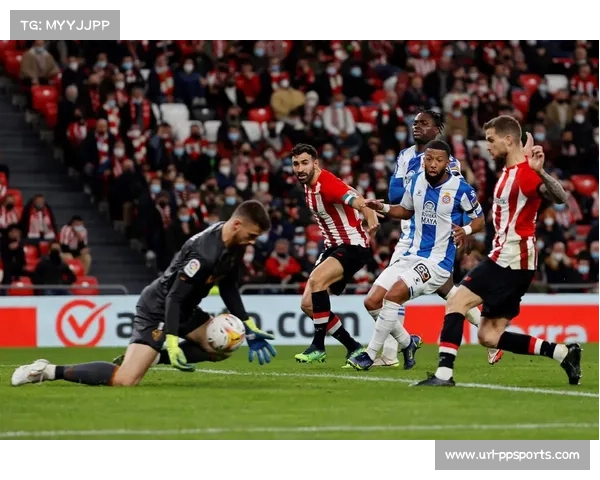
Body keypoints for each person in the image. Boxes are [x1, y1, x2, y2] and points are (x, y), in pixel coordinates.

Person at [11, 201, 277, 387]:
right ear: (237, 224)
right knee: (126, 379)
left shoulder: (234, 242)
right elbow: (173, 297)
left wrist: (248, 325)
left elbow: (228, 285)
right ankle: (46, 370)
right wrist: (171, 340)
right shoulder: (204, 253)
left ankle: (154, 356)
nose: (253, 241)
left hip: (185, 307)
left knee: (224, 343)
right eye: (252, 235)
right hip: (159, 307)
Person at [414, 116, 582, 387]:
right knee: (489, 336)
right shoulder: (508, 172)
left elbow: (560, 197)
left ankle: (444, 374)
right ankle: (563, 353)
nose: (487, 146)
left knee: (456, 302)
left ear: (509, 140)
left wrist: (540, 172)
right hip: (514, 262)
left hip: (511, 258)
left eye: (491, 140)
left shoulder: (526, 174)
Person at [365, 109, 502, 368]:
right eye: (415, 122)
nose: (417, 127)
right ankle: (491, 335)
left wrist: (465, 230)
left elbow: (454, 197)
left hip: (435, 236)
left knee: (398, 292)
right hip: (409, 231)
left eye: (424, 123)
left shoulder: (449, 163)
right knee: (448, 292)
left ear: (437, 130)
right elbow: (395, 195)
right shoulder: (405, 156)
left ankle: (392, 353)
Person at [347, 140, 485, 371]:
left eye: (438, 160)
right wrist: (382, 208)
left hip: (437, 262)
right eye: (429, 159)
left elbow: (480, 220)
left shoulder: (461, 189)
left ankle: (369, 355)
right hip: (411, 254)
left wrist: (466, 230)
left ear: (447, 162)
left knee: (394, 296)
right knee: (372, 301)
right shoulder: (417, 180)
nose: (433, 164)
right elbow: (405, 210)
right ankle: (407, 343)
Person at [291, 143, 379, 365]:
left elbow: (356, 201)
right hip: (333, 247)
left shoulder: (326, 184)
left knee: (317, 280)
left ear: (315, 163)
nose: (300, 168)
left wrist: (370, 217)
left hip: (353, 246)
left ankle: (318, 346)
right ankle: (354, 347)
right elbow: (352, 191)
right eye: (296, 164)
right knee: (308, 304)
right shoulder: (309, 185)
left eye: (304, 163)